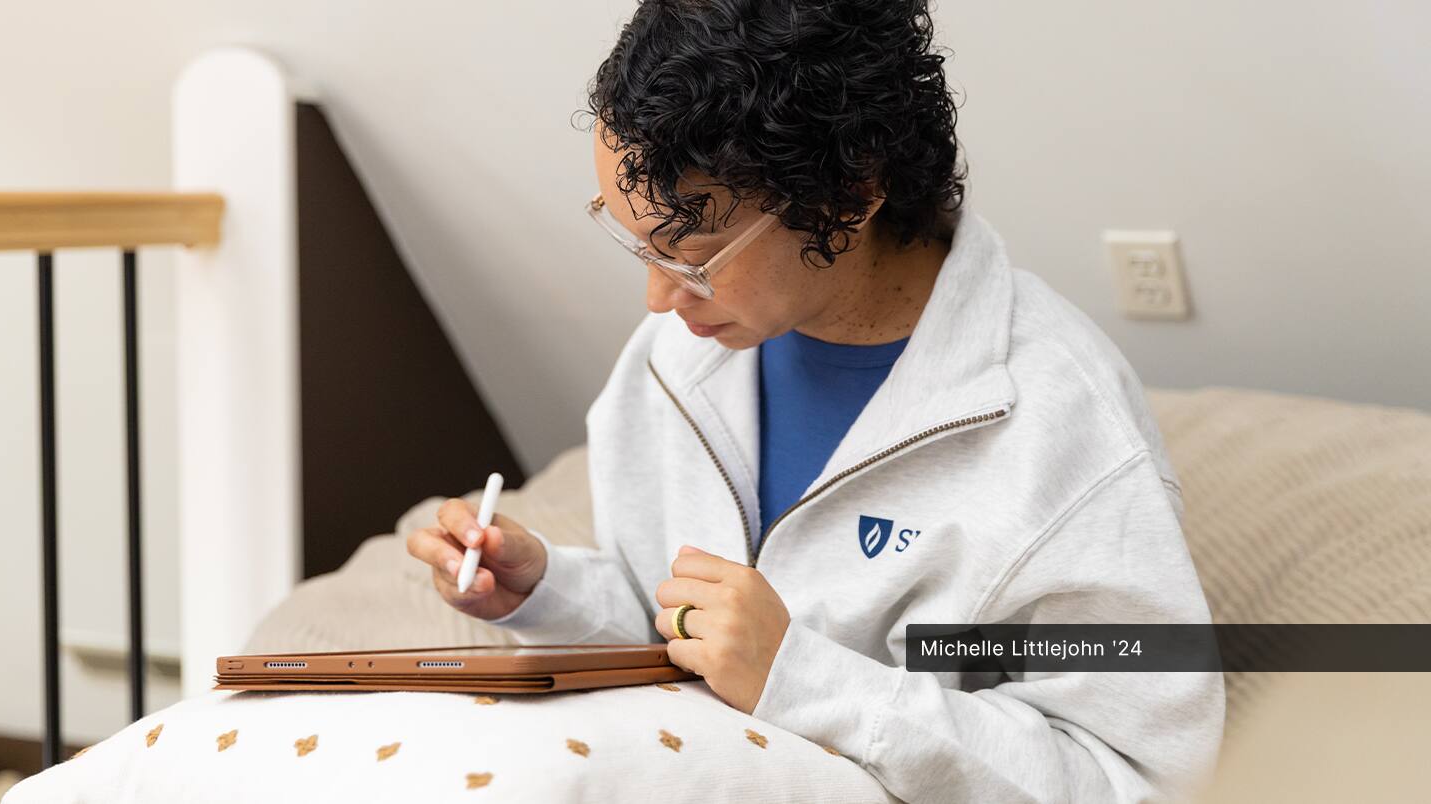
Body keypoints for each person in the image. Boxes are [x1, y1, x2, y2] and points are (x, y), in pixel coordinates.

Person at [405, 1, 1223, 801]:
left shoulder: (1062, 431)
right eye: (636, 246)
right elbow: (678, 626)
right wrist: (544, 591)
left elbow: (1131, 777)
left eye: (691, 255)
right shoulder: (681, 355)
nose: (658, 300)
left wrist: (801, 677)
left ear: (848, 195)